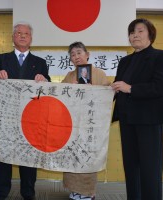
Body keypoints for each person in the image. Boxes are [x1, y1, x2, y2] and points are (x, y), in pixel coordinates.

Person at [111, 18, 163, 200]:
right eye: (132, 32)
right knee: (131, 168)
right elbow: (118, 87)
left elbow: (162, 85)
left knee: (150, 168)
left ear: (150, 35)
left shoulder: (161, 56)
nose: (135, 35)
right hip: (127, 120)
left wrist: (130, 88)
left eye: (140, 31)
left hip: (149, 120)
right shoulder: (125, 61)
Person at [0, 22, 51, 200]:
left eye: (26, 34)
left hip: (31, 118)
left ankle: (28, 192)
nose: (22, 36)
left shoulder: (40, 62)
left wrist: (44, 79)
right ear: (13, 37)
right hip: (5, 117)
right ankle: (1, 192)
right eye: (18, 33)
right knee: (3, 154)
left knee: (29, 155)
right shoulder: (2, 59)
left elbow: (46, 89)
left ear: (31, 39)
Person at [61, 41, 110, 200]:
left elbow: (109, 96)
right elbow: (61, 98)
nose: (76, 57)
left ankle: (88, 192)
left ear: (87, 54)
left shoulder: (100, 74)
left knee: (88, 157)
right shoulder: (69, 76)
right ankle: (75, 190)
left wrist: (93, 90)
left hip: (92, 124)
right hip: (73, 124)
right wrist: (70, 90)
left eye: (79, 53)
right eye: (73, 55)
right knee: (73, 156)